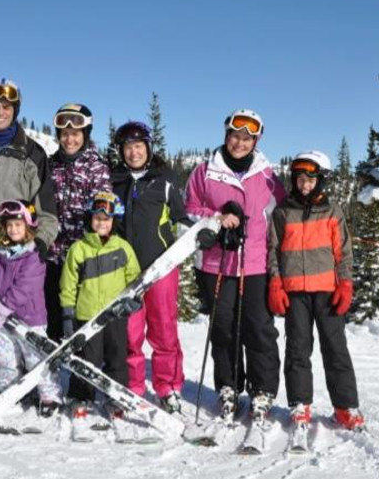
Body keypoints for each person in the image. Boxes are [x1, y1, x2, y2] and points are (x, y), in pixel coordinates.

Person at [184, 109, 286, 422]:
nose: (239, 142)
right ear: (226, 135)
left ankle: (263, 389)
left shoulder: (266, 174)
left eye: (247, 138)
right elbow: (188, 210)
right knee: (223, 328)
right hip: (216, 263)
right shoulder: (204, 171)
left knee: (258, 328)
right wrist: (216, 218)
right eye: (234, 135)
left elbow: (281, 214)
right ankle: (228, 386)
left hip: (254, 263)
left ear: (256, 141)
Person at [0, 78, 59, 391]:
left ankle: (36, 381)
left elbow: (46, 205)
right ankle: (1, 378)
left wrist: (42, 242)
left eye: (7, 107)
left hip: (19, 249)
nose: (0, 112)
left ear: (15, 110)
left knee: (24, 318)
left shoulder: (31, 153)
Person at [267, 150, 364, 431]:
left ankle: (345, 407)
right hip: (295, 292)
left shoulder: (333, 211)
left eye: (310, 179)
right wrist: (275, 282)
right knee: (297, 349)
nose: (304, 185)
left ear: (321, 181)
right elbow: (272, 251)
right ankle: (300, 404)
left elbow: (343, 252)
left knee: (336, 350)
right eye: (299, 179)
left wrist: (345, 283)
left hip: (327, 291)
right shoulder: (283, 212)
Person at [110, 121, 191, 414]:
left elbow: (181, 219)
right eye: (128, 147)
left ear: (148, 148)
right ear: (121, 151)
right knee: (129, 334)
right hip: (125, 272)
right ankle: (132, 387)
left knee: (163, 329)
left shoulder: (164, 180)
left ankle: (168, 387)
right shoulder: (114, 181)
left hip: (161, 267)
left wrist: (201, 233)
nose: (134, 153)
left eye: (139, 146)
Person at [0, 200, 62, 417]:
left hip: (29, 319)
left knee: (36, 358)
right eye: (9, 225)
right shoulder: (1, 253)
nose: (13, 230)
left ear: (28, 227)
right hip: (4, 322)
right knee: (5, 358)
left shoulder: (34, 255)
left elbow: (24, 288)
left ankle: (49, 395)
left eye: (18, 225)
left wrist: (1, 310)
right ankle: (7, 391)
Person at [60, 191, 140, 436]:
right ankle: (80, 396)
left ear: (114, 221)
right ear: (90, 219)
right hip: (88, 316)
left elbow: (135, 279)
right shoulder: (79, 249)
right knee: (88, 361)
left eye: (106, 219)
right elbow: (68, 283)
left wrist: (133, 300)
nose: (102, 223)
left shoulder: (123, 248)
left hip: (115, 315)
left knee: (117, 357)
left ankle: (116, 397)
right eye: (97, 218)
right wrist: (67, 314)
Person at [45, 103, 111, 342]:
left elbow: (103, 212)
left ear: (85, 135)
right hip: (53, 254)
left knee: (81, 320)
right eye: (64, 134)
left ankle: (80, 376)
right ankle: (48, 369)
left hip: (82, 256)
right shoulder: (52, 165)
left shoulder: (97, 166)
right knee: (52, 315)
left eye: (75, 134)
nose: (69, 139)